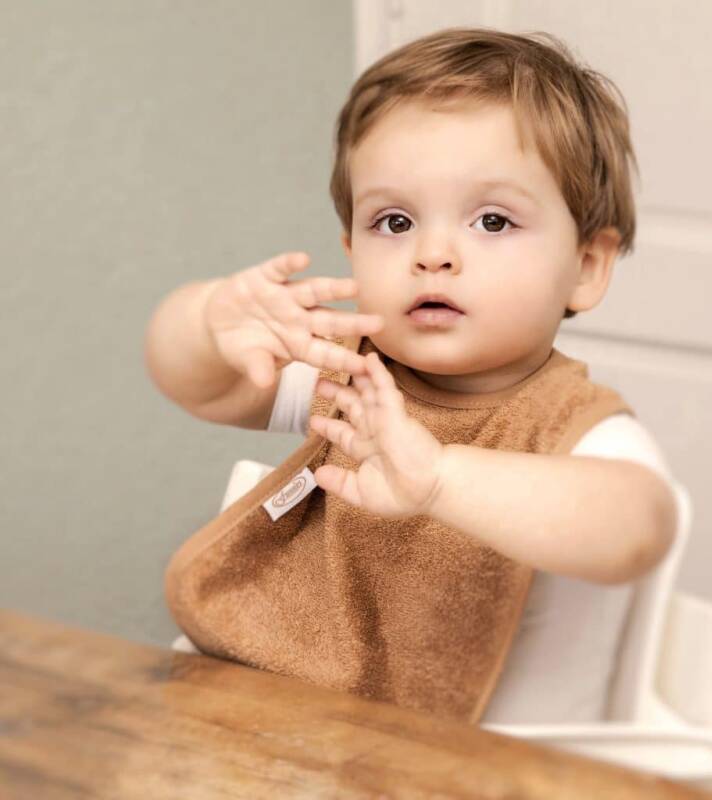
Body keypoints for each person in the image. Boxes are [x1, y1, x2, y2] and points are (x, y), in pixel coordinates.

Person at [145, 27, 681, 724]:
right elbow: (201, 386)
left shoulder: (574, 425)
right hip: (263, 717)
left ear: (586, 267)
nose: (432, 253)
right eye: (394, 222)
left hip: (463, 761)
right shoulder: (354, 375)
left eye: (493, 221)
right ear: (351, 250)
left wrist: (439, 479)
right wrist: (206, 322)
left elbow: (638, 528)